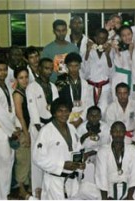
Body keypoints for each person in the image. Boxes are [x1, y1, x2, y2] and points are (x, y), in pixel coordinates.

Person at [32, 98, 92, 199]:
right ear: (54, 113)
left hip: (72, 180)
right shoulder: (46, 131)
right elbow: (37, 158)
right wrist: (62, 165)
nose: (64, 114)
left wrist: (80, 162)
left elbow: (77, 149)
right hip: (54, 181)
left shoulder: (72, 128)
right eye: (60, 111)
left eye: (66, 111)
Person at [95, 121, 135, 200]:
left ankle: (132, 198)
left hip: (129, 187)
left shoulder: (133, 150)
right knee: (84, 188)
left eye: (121, 131)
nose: (118, 134)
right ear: (111, 132)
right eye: (115, 131)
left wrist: (130, 196)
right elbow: (102, 176)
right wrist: (105, 198)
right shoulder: (103, 151)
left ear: (125, 133)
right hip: (109, 188)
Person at [26, 58, 59, 195]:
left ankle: (48, 192)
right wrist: (40, 128)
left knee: (50, 159)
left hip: (51, 126)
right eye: (45, 68)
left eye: (50, 68)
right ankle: (36, 192)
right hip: (37, 127)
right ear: (39, 69)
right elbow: (32, 109)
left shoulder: (52, 86)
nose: (48, 71)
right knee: (37, 161)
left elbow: (56, 107)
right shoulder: (32, 87)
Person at [0, 59, 20, 199]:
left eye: (5, 69)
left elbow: (11, 109)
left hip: (8, 129)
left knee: (8, 165)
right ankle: (0, 196)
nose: (3, 72)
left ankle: (4, 195)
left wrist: (17, 125)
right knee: (1, 167)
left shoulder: (6, 85)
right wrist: (12, 131)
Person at [83, 28, 114, 117]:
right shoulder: (90, 50)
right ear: (95, 38)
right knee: (89, 110)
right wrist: (88, 51)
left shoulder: (110, 51)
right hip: (91, 86)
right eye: (99, 38)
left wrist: (107, 55)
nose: (101, 40)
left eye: (104, 38)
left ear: (107, 39)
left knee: (103, 110)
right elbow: (85, 69)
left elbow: (111, 71)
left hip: (104, 87)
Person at [12, 67, 33, 199]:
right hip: (22, 132)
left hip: (27, 129)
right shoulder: (17, 94)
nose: (24, 80)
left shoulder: (27, 91)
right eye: (21, 78)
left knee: (28, 160)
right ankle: (21, 189)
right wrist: (26, 134)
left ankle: (28, 186)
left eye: (26, 77)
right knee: (22, 161)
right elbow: (20, 116)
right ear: (16, 79)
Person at [58, 52, 93, 128]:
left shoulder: (85, 84)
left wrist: (80, 120)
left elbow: (89, 104)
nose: (73, 69)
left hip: (83, 118)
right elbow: (58, 103)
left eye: (76, 66)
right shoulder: (61, 82)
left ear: (80, 66)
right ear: (66, 66)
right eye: (71, 66)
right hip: (66, 118)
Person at [76, 106, 111, 183]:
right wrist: (86, 135)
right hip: (84, 153)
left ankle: (101, 185)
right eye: (92, 115)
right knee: (78, 163)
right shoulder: (81, 128)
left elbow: (104, 146)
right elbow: (77, 145)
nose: (94, 118)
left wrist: (89, 154)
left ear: (100, 117)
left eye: (97, 116)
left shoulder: (105, 128)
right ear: (87, 116)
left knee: (102, 162)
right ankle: (78, 183)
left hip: (98, 153)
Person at [111, 25, 135, 99]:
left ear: (132, 34)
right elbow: (119, 64)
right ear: (120, 37)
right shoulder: (116, 48)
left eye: (129, 34)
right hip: (119, 78)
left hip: (133, 78)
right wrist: (117, 51)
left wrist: (131, 52)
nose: (127, 37)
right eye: (124, 35)